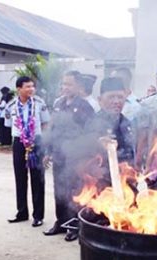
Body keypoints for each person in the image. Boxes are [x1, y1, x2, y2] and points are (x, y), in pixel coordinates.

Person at [43, 70, 96, 241]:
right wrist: (48, 151)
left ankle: (74, 225)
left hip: (76, 156)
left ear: (78, 86)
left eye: (69, 84)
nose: (65, 87)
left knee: (74, 190)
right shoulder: (59, 103)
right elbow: (53, 129)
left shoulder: (85, 106)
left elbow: (90, 133)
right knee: (59, 189)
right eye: (63, 84)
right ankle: (61, 221)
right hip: (59, 154)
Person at [5, 76, 49, 228]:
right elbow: (8, 124)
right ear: (19, 89)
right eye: (27, 87)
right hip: (19, 143)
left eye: (32, 86)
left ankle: (38, 215)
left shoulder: (39, 103)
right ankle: (21, 212)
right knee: (20, 177)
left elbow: (45, 124)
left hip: (36, 141)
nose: (31, 89)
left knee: (37, 178)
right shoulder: (11, 105)